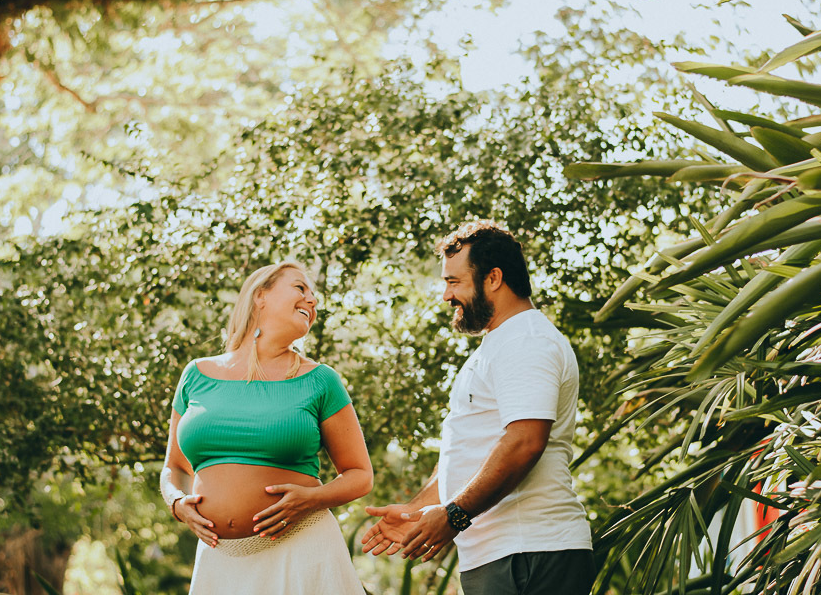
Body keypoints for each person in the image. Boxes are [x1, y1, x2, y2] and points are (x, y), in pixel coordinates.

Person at [361, 221, 594, 594]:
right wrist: (419, 510)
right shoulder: (500, 344)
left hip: (530, 551)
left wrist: (454, 515)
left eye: (454, 282)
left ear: (494, 278)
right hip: (501, 554)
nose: (446, 296)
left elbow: (525, 442)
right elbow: (473, 452)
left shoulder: (526, 341)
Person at [161, 261, 372, 594]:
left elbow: (360, 474)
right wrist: (176, 503)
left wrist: (312, 499)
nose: (312, 300)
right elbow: (173, 468)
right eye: (300, 288)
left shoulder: (320, 380)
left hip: (303, 550)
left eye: (313, 295)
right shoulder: (196, 375)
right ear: (260, 296)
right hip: (220, 562)